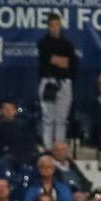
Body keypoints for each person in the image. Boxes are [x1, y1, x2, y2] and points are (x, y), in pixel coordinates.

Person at [38, 14, 77, 149]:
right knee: (48, 118)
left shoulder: (67, 44)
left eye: (57, 25)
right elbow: (50, 60)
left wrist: (59, 61)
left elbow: (71, 64)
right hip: (48, 82)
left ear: (60, 26)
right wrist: (62, 61)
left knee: (61, 119)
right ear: (48, 26)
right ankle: (48, 147)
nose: (55, 28)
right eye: (52, 25)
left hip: (64, 83)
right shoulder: (43, 43)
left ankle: (59, 148)